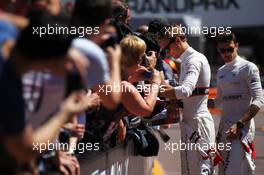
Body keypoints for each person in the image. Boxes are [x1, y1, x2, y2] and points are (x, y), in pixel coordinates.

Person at [0, 14, 88, 174]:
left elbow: (25, 24)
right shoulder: (8, 90)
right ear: (50, 61)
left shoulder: (6, 32)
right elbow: (25, 149)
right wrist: (64, 112)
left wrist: (63, 45)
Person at [158, 25, 215, 174]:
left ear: (177, 40)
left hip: (198, 124)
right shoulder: (187, 60)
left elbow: (185, 90)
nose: (167, 53)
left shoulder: (193, 59)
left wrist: (156, 91)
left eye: (166, 49)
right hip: (191, 123)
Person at [215, 32, 264, 175]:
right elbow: (218, 102)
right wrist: (191, 101)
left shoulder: (249, 67)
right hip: (225, 128)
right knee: (223, 171)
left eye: (229, 49)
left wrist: (240, 124)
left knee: (234, 170)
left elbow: (259, 99)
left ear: (236, 46)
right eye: (222, 50)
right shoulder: (220, 72)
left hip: (243, 127)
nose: (226, 53)